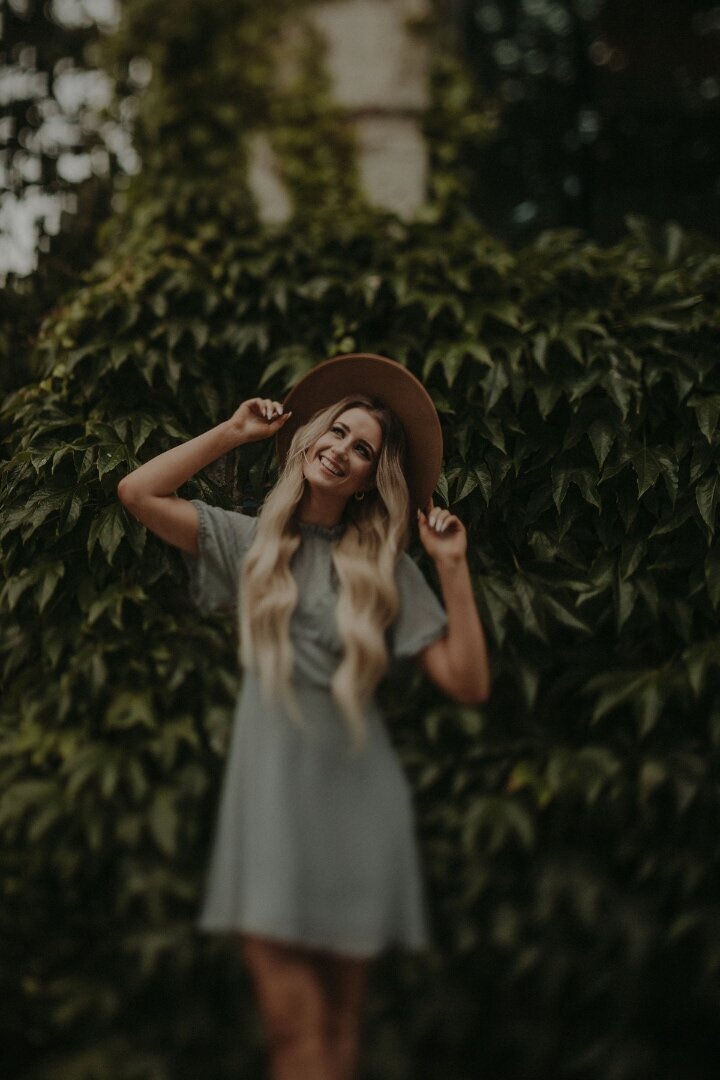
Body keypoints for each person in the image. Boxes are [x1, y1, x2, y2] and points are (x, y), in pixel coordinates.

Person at [117, 353, 491, 1080]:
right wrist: (230, 433)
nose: (343, 450)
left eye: (363, 450)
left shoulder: (384, 569)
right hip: (269, 805)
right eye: (338, 432)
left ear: (368, 481)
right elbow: (136, 492)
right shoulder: (249, 543)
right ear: (311, 436)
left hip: (360, 802)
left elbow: (469, 683)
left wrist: (452, 566)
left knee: (341, 1034)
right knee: (297, 1038)